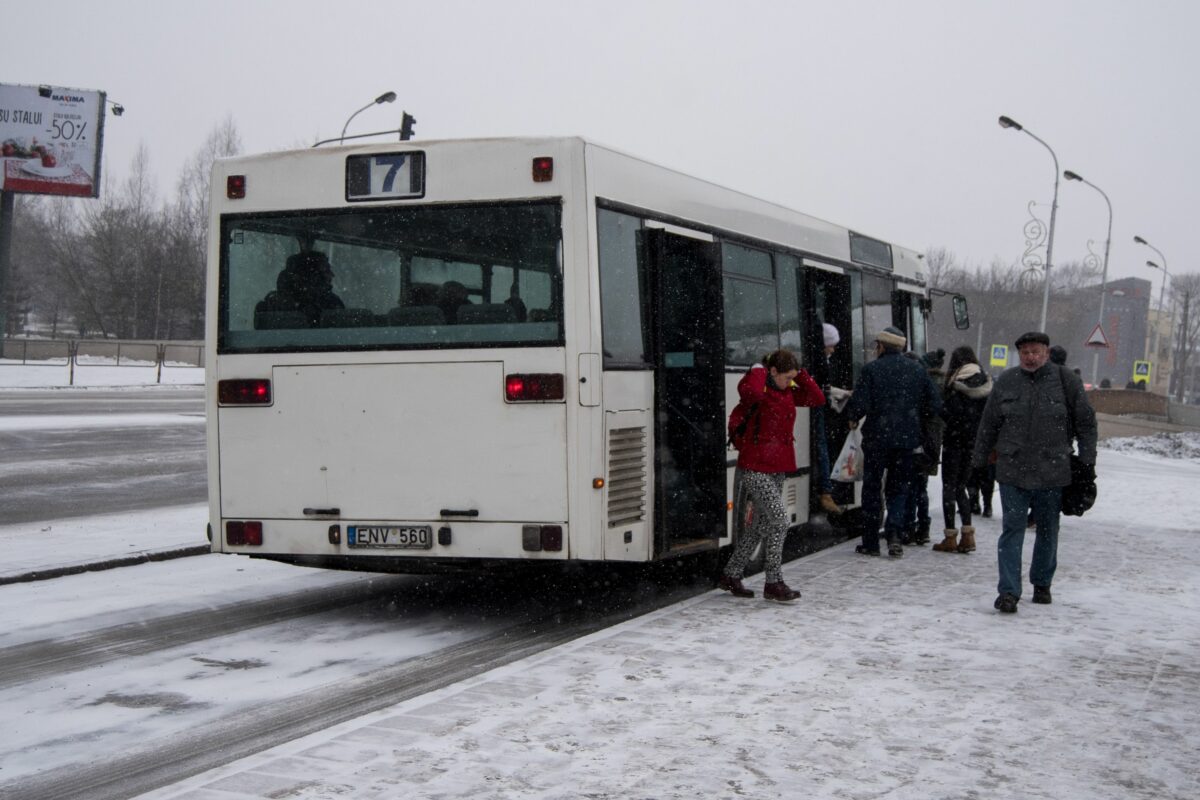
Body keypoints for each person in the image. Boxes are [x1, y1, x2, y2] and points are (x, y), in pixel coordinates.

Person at [973, 331, 1097, 614]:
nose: (1030, 357)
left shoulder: (1066, 382)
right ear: (1019, 354)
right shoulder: (1006, 382)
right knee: (1012, 529)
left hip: (1052, 470)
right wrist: (979, 460)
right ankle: (1008, 592)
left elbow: (1086, 424)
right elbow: (988, 424)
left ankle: (1042, 583)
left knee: (1048, 529)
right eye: (1025, 352)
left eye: (1036, 351)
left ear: (1046, 352)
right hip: (1012, 469)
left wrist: (1088, 462)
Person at [719, 349, 825, 602]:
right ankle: (773, 581)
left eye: (792, 378)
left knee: (762, 525)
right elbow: (751, 393)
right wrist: (759, 369)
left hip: (777, 466)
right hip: (755, 466)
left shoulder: (787, 390)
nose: (788, 382)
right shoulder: (757, 386)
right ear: (772, 371)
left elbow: (817, 398)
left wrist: (800, 374)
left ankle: (731, 574)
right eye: (784, 376)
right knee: (779, 521)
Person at [844, 327, 942, 558]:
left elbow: (860, 402)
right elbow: (935, 405)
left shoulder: (872, 369)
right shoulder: (917, 370)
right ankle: (895, 535)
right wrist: (915, 419)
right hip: (907, 441)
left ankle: (870, 542)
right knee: (899, 489)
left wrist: (852, 417)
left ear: (881, 346)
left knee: (871, 488)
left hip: (877, 439)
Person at [933, 346, 992, 554]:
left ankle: (950, 536)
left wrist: (942, 408)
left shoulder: (957, 383)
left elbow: (950, 413)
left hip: (954, 441)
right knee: (962, 487)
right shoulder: (986, 381)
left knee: (949, 486)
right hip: (973, 442)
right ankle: (968, 535)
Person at [902, 349, 946, 546]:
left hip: (915, 443)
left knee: (910, 487)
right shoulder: (932, 388)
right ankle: (923, 528)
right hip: (929, 444)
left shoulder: (914, 389)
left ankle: (910, 528)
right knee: (921, 488)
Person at [255, 250, 344, 327]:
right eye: (325, 271)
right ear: (311, 277)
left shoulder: (332, 303)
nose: (332, 275)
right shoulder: (272, 308)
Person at [812, 323, 847, 516]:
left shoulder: (818, 360)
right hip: (817, 409)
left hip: (818, 407)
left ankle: (826, 489)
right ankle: (826, 490)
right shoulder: (820, 362)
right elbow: (820, 389)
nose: (832, 350)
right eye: (831, 345)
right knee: (822, 445)